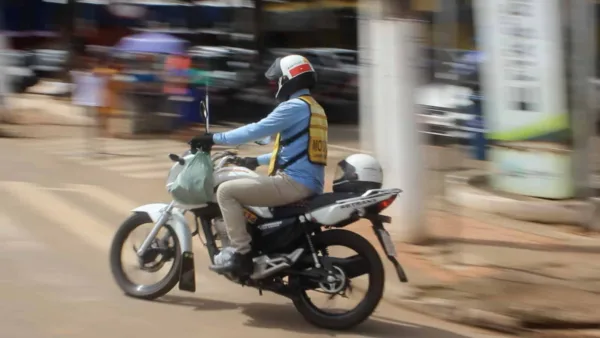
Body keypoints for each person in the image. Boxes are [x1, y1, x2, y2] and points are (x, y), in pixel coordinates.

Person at [190, 55, 328, 276]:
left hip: (294, 183)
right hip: (309, 182)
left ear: (288, 78)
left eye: (278, 80)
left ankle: (241, 254)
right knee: (248, 188)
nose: (275, 85)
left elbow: (257, 130)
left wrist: (214, 139)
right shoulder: (315, 109)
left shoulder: (293, 107)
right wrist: (254, 161)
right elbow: (294, 151)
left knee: (226, 192)